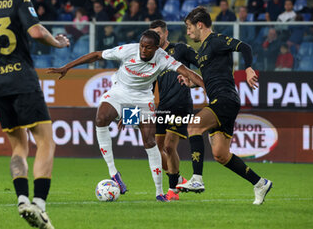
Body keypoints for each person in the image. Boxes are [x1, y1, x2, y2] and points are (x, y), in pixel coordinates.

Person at [47, 30, 204, 202]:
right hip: (119, 92)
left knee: (150, 142)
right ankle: (114, 173)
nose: (143, 50)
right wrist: (67, 67)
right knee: (101, 119)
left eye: (148, 48)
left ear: (157, 48)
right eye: (142, 46)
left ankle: (160, 192)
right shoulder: (128, 50)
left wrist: (206, 86)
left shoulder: (163, 58)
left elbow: (188, 72)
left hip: (143, 99)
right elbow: (97, 55)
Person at [0, 0, 69, 227]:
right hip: (21, 79)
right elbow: (37, 32)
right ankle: (39, 204)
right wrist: (58, 43)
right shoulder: (18, 0)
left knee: (18, 146)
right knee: (45, 142)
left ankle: (21, 200)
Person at [176, 6, 272, 205]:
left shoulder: (217, 40)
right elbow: (212, 77)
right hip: (220, 100)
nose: (188, 32)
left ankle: (196, 179)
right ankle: (260, 183)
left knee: (194, 125)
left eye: (189, 27)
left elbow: (245, 47)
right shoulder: (202, 50)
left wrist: (248, 69)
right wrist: (192, 83)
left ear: (199, 25)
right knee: (220, 154)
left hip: (225, 99)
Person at [149, 20, 199, 200]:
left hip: (181, 105)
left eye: (158, 33)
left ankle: (172, 191)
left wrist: (194, 82)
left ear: (166, 33)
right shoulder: (153, 58)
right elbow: (148, 87)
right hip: (163, 107)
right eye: (152, 34)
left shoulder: (181, 49)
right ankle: (177, 177)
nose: (156, 37)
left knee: (170, 146)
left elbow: (202, 63)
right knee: (155, 148)